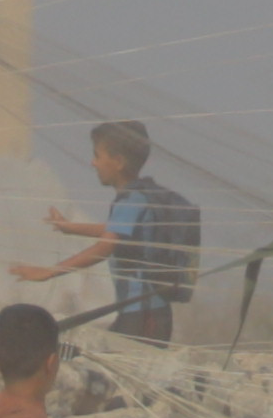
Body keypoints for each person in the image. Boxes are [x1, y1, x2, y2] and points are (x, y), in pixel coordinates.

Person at [19, 116, 204, 344]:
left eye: (97, 156)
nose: (93, 163)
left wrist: (49, 272)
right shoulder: (142, 196)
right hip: (146, 313)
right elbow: (119, 231)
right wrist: (70, 227)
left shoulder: (130, 201)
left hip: (142, 315)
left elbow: (106, 246)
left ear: (118, 162)